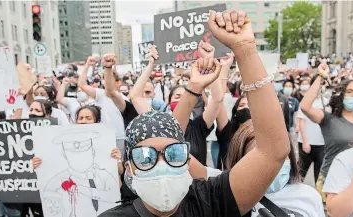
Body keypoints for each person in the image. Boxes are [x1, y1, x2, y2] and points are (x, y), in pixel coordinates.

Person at [100, 10, 290, 217]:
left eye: (174, 153)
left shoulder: (211, 201)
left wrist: (245, 50)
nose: (162, 164)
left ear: (187, 158)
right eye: (146, 157)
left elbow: (272, 151)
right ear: (129, 168)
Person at [189, 120, 325, 216]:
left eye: (281, 157)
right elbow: (179, 155)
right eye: (263, 160)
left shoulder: (310, 196)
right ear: (241, 161)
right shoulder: (224, 190)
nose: (274, 166)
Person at [301, 65, 353, 201]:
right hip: (331, 180)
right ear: (341, 95)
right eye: (349, 91)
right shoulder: (328, 119)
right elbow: (305, 107)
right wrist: (320, 77)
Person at [297, 76, 326, 183]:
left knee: (319, 174)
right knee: (301, 172)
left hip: (321, 143)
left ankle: (318, 196)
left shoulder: (325, 102)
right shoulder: (306, 102)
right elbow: (301, 123)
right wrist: (305, 142)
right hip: (306, 142)